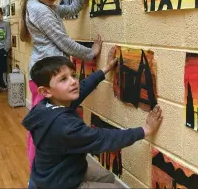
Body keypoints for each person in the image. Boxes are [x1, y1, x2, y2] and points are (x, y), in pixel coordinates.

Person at [22, 47, 163, 189]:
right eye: (63, 79)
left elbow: (83, 87)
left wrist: (106, 69)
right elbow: (103, 138)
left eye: (73, 75)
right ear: (45, 91)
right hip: (58, 184)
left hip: (56, 172)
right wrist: (145, 130)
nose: (73, 82)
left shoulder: (50, 104)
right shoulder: (64, 127)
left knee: (108, 177)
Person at [20, 0, 102, 170]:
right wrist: (91, 53)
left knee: (47, 126)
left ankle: (48, 170)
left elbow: (72, 9)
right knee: (42, 129)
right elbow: (64, 42)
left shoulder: (46, 7)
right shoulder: (40, 10)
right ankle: (38, 174)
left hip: (47, 74)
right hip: (46, 77)